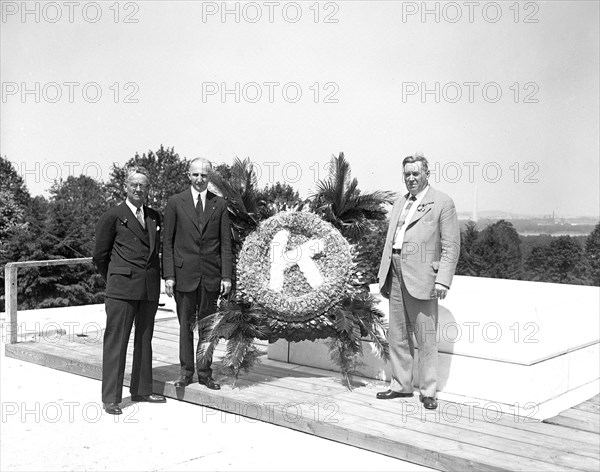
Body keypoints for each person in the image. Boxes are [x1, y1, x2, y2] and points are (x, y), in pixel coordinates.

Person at [376, 154, 460, 410]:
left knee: (425, 336)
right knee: (398, 335)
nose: (411, 178)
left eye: (415, 174)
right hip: (395, 271)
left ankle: (428, 391)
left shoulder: (442, 202)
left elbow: (451, 245)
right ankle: (400, 386)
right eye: (407, 174)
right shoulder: (400, 202)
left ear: (426, 174)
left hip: (424, 277)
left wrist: (443, 280)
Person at [93, 166, 166, 415]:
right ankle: (111, 399)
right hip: (122, 290)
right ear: (125, 186)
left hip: (148, 289)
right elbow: (100, 256)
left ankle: (142, 390)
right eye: (134, 184)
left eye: (143, 185)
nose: (138, 189)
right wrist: (115, 279)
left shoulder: (155, 217)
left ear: (148, 189)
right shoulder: (113, 215)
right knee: (117, 342)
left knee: (144, 340)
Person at [162, 157, 233, 390]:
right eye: (196, 175)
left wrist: (226, 276)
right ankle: (185, 373)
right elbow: (168, 244)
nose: (200, 179)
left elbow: (225, 244)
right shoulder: (175, 202)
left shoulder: (219, 205)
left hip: (211, 277)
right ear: (188, 175)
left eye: (204, 175)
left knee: (207, 328)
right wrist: (169, 276)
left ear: (209, 177)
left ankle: (204, 373)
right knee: (185, 327)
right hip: (184, 276)